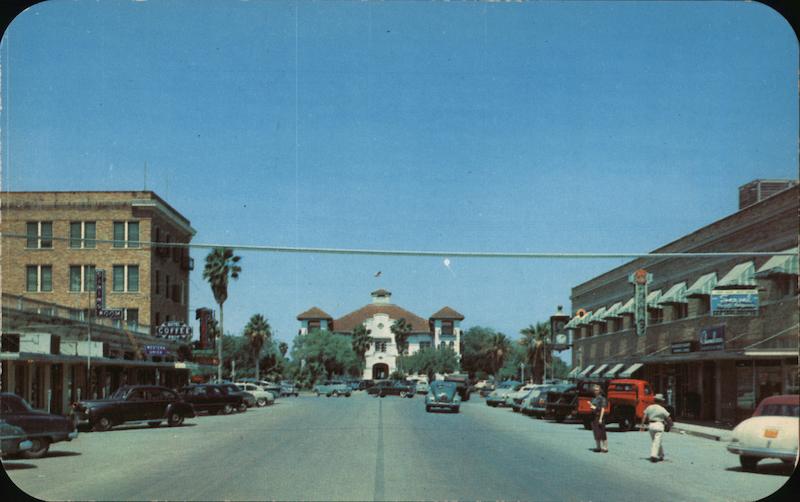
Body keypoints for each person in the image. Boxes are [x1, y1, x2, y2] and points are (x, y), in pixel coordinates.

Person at [640, 393, 671, 462]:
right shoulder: (662, 409)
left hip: (651, 425)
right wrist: (670, 425)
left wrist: (642, 425)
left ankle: (661, 455)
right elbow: (668, 418)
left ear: (654, 400)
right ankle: (653, 455)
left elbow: (644, 416)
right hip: (659, 425)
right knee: (657, 441)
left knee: (656, 441)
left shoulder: (649, 407)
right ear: (661, 401)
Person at [589, 384, 608, 453]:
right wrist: (591, 405)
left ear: (600, 390)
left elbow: (603, 409)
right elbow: (592, 407)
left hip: (599, 416)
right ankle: (598, 447)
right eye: (594, 390)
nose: (595, 391)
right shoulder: (593, 398)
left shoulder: (602, 398)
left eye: (597, 390)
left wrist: (600, 418)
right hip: (593, 416)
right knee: (596, 432)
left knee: (602, 432)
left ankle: (605, 447)